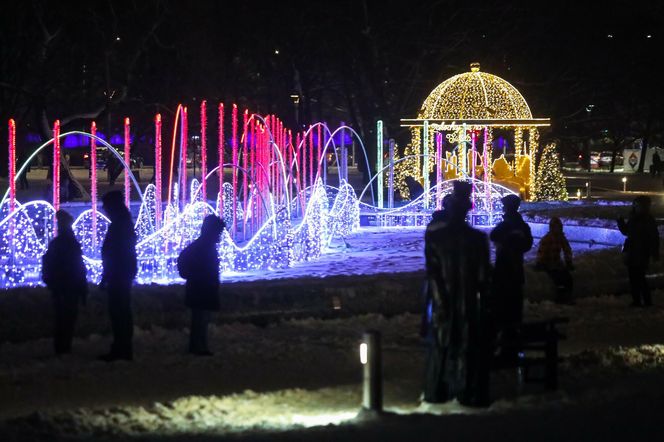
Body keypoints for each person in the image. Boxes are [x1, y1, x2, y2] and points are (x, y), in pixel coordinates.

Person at [423, 181, 492, 407]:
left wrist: (440, 303)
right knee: (468, 348)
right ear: (468, 210)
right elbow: (484, 280)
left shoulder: (435, 238)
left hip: (442, 302)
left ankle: (436, 391)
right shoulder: (478, 240)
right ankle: (468, 392)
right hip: (468, 303)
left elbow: (432, 276)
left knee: (441, 349)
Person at [178, 215, 226, 356]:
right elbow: (184, 262)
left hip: (201, 288)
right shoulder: (203, 247)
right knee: (200, 319)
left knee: (201, 319)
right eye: (218, 232)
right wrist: (196, 276)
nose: (220, 236)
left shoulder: (203, 245)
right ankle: (198, 347)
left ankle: (199, 346)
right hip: (201, 289)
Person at [42, 210, 88, 355]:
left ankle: (61, 347)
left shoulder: (58, 242)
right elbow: (78, 266)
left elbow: (48, 262)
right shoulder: (69, 242)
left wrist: (49, 280)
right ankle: (63, 347)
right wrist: (82, 286)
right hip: (69, 284)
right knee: (67, 317)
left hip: (61, 284)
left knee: (62, 317)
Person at [99, 190, 137, 361]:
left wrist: (107, 275)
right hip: (122, 272)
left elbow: (116, 252)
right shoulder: (123, 222)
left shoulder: (120, 225)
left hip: (119, 273)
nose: (105, 210)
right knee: (121, 311)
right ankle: (123, 346)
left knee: (119, 311)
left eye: (106, 206)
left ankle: (122, 348)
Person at [490, 194, 533, 328]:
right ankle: (514, 326)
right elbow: (528, 244)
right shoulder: (522, 226)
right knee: (515, 301)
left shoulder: (507, 225)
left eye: (504, 206)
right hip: (516, 267)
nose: (502, 209)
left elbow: (493, 235)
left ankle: (506, 329)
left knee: (504, 301)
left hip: (504, 268)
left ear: (508, 208)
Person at [618, 196, 660, 307]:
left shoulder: (648, 220)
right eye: (635, 205)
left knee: (640, 278)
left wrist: (654, 253)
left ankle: (647, 301)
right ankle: (636, 300)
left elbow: (654, 237)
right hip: (632, 252)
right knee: (633, 278)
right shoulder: (634, 218)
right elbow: (627, 232)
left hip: (641, 252)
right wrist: (620, 222)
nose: (636, 207)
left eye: (639, 205)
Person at [535, 217, 574, 304]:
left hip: (556, 263)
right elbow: (541, 252)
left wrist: (568, 261)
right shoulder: (547, 239)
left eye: (558, 227)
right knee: (558, 279)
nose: (557, 229)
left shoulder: (561, 238)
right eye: (555, 227)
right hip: (547, 263)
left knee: (568, 277)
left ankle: (567, 296)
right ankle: (561, 297)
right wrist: (540, 263)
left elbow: (567, 250)